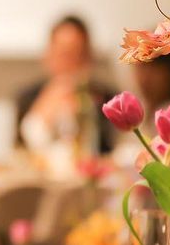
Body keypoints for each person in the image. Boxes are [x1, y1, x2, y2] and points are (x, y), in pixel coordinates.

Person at [15, 15, 118, 162]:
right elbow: (20, 152)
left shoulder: (107, 100)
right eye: (64, 54)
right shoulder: (26, 98)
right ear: (48, 55)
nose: (70, 63)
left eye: (78, 54)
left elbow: (109, 153)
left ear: (89, 57)